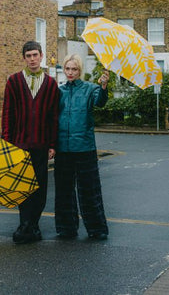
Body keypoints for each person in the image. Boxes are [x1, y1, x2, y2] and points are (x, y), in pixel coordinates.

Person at [1, 41, 59, 244]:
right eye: (28, 56)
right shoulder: (14, 81)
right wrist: (7, 143)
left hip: (41, 145)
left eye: (35, 55)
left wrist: (53, 144)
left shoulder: (51, 84)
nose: (32, 59)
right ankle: (24, 225)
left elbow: (53, 117)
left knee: (40, 188)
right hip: (19, 146)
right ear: (24, 58)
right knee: (22, 187)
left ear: (41, 56)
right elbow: (7, 114)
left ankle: (33, 225)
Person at [54, 54, 109, 241]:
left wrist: (103, 86)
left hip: (84, 147)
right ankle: (66, 228)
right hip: (63, 148)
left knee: (89, 190)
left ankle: (97, 229)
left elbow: (99, 101)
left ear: (80, 71)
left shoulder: (90, 88)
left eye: (74, 69)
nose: (70, 72)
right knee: (64, 191)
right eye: (67, 69)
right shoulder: (58, 91)